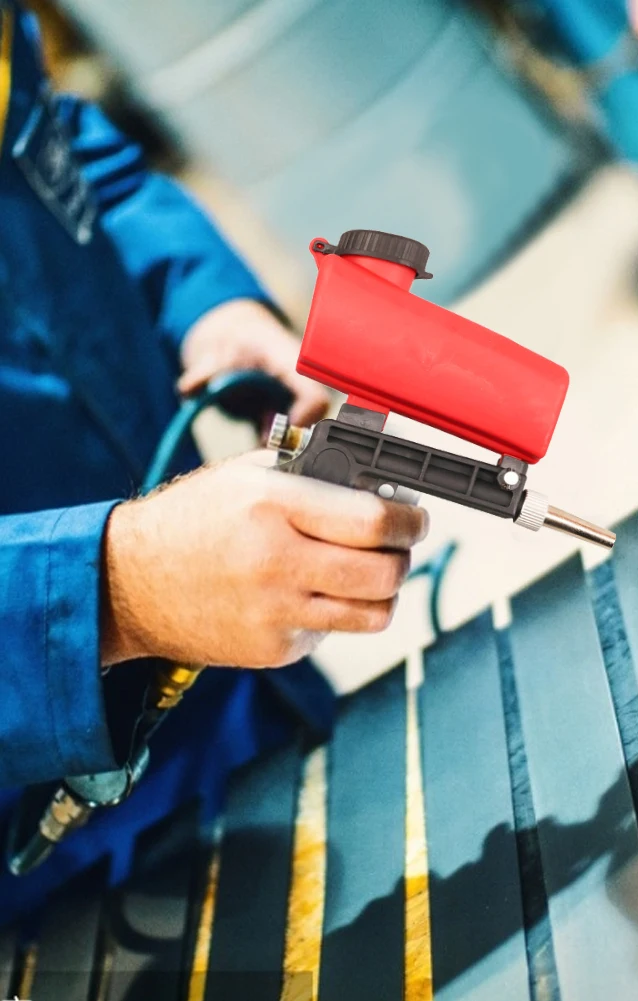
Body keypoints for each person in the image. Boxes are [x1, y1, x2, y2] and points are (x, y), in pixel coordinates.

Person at [0, 1, 427, 921]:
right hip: (50, 873)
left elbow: (56, 152)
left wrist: (201, 298)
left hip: (235, 679)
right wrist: (111, 595)